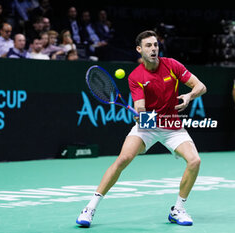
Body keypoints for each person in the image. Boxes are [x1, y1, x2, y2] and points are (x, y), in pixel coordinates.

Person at [76, 30, 207, 227]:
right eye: (148, 45)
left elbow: (201, 86)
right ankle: (90, 208)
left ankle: (178, 209)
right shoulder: (136, 76)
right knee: (123, 159)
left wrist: (189, 96)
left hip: (172, 125)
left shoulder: (172, 65)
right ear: (139, 49)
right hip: (148, 126)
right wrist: (143, 117)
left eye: (155, 45)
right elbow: (140, 106)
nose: (153, 48)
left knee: (195, 161)